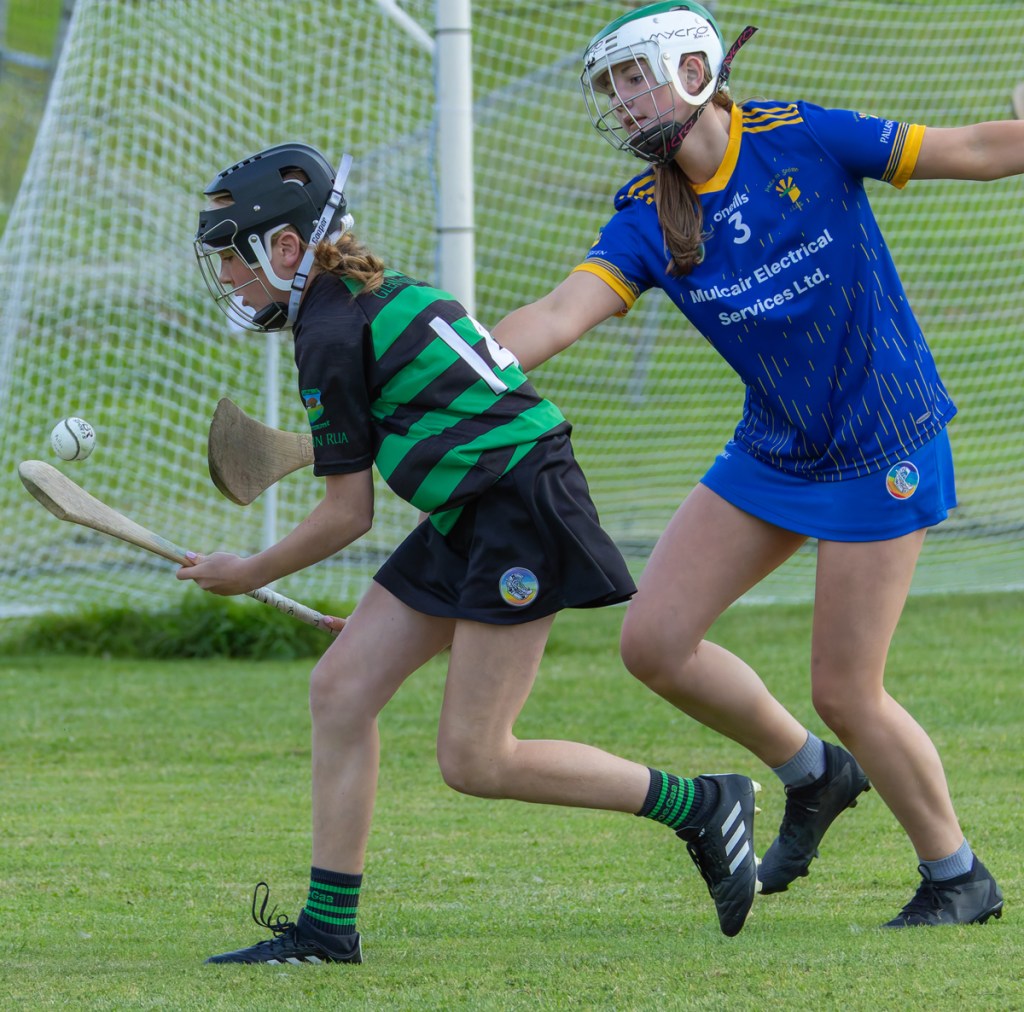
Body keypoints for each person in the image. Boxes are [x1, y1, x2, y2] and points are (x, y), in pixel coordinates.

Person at [492, 1, 1023, 927]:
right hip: (777, 447)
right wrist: (452, 362)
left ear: (696, 69)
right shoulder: (647, 214)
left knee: (845, 689)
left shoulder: (802, 137)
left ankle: (958, 878)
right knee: (654, 645)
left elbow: (972, 148)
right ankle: (814, 774)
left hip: (883, 443)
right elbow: (557, 315)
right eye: (612, 88)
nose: (622, 103)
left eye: (635, 78)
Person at [181, 141, 761, 964]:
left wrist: (247, 572)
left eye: (233, 259)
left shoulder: (331, 329)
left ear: (284, 246)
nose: (229, 279)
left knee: (476, 758)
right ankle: (327, 930)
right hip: (476, 504)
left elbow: (347, 514)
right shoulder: (369, 294)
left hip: (519, 509)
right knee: (341, 690)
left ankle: (701, 805)